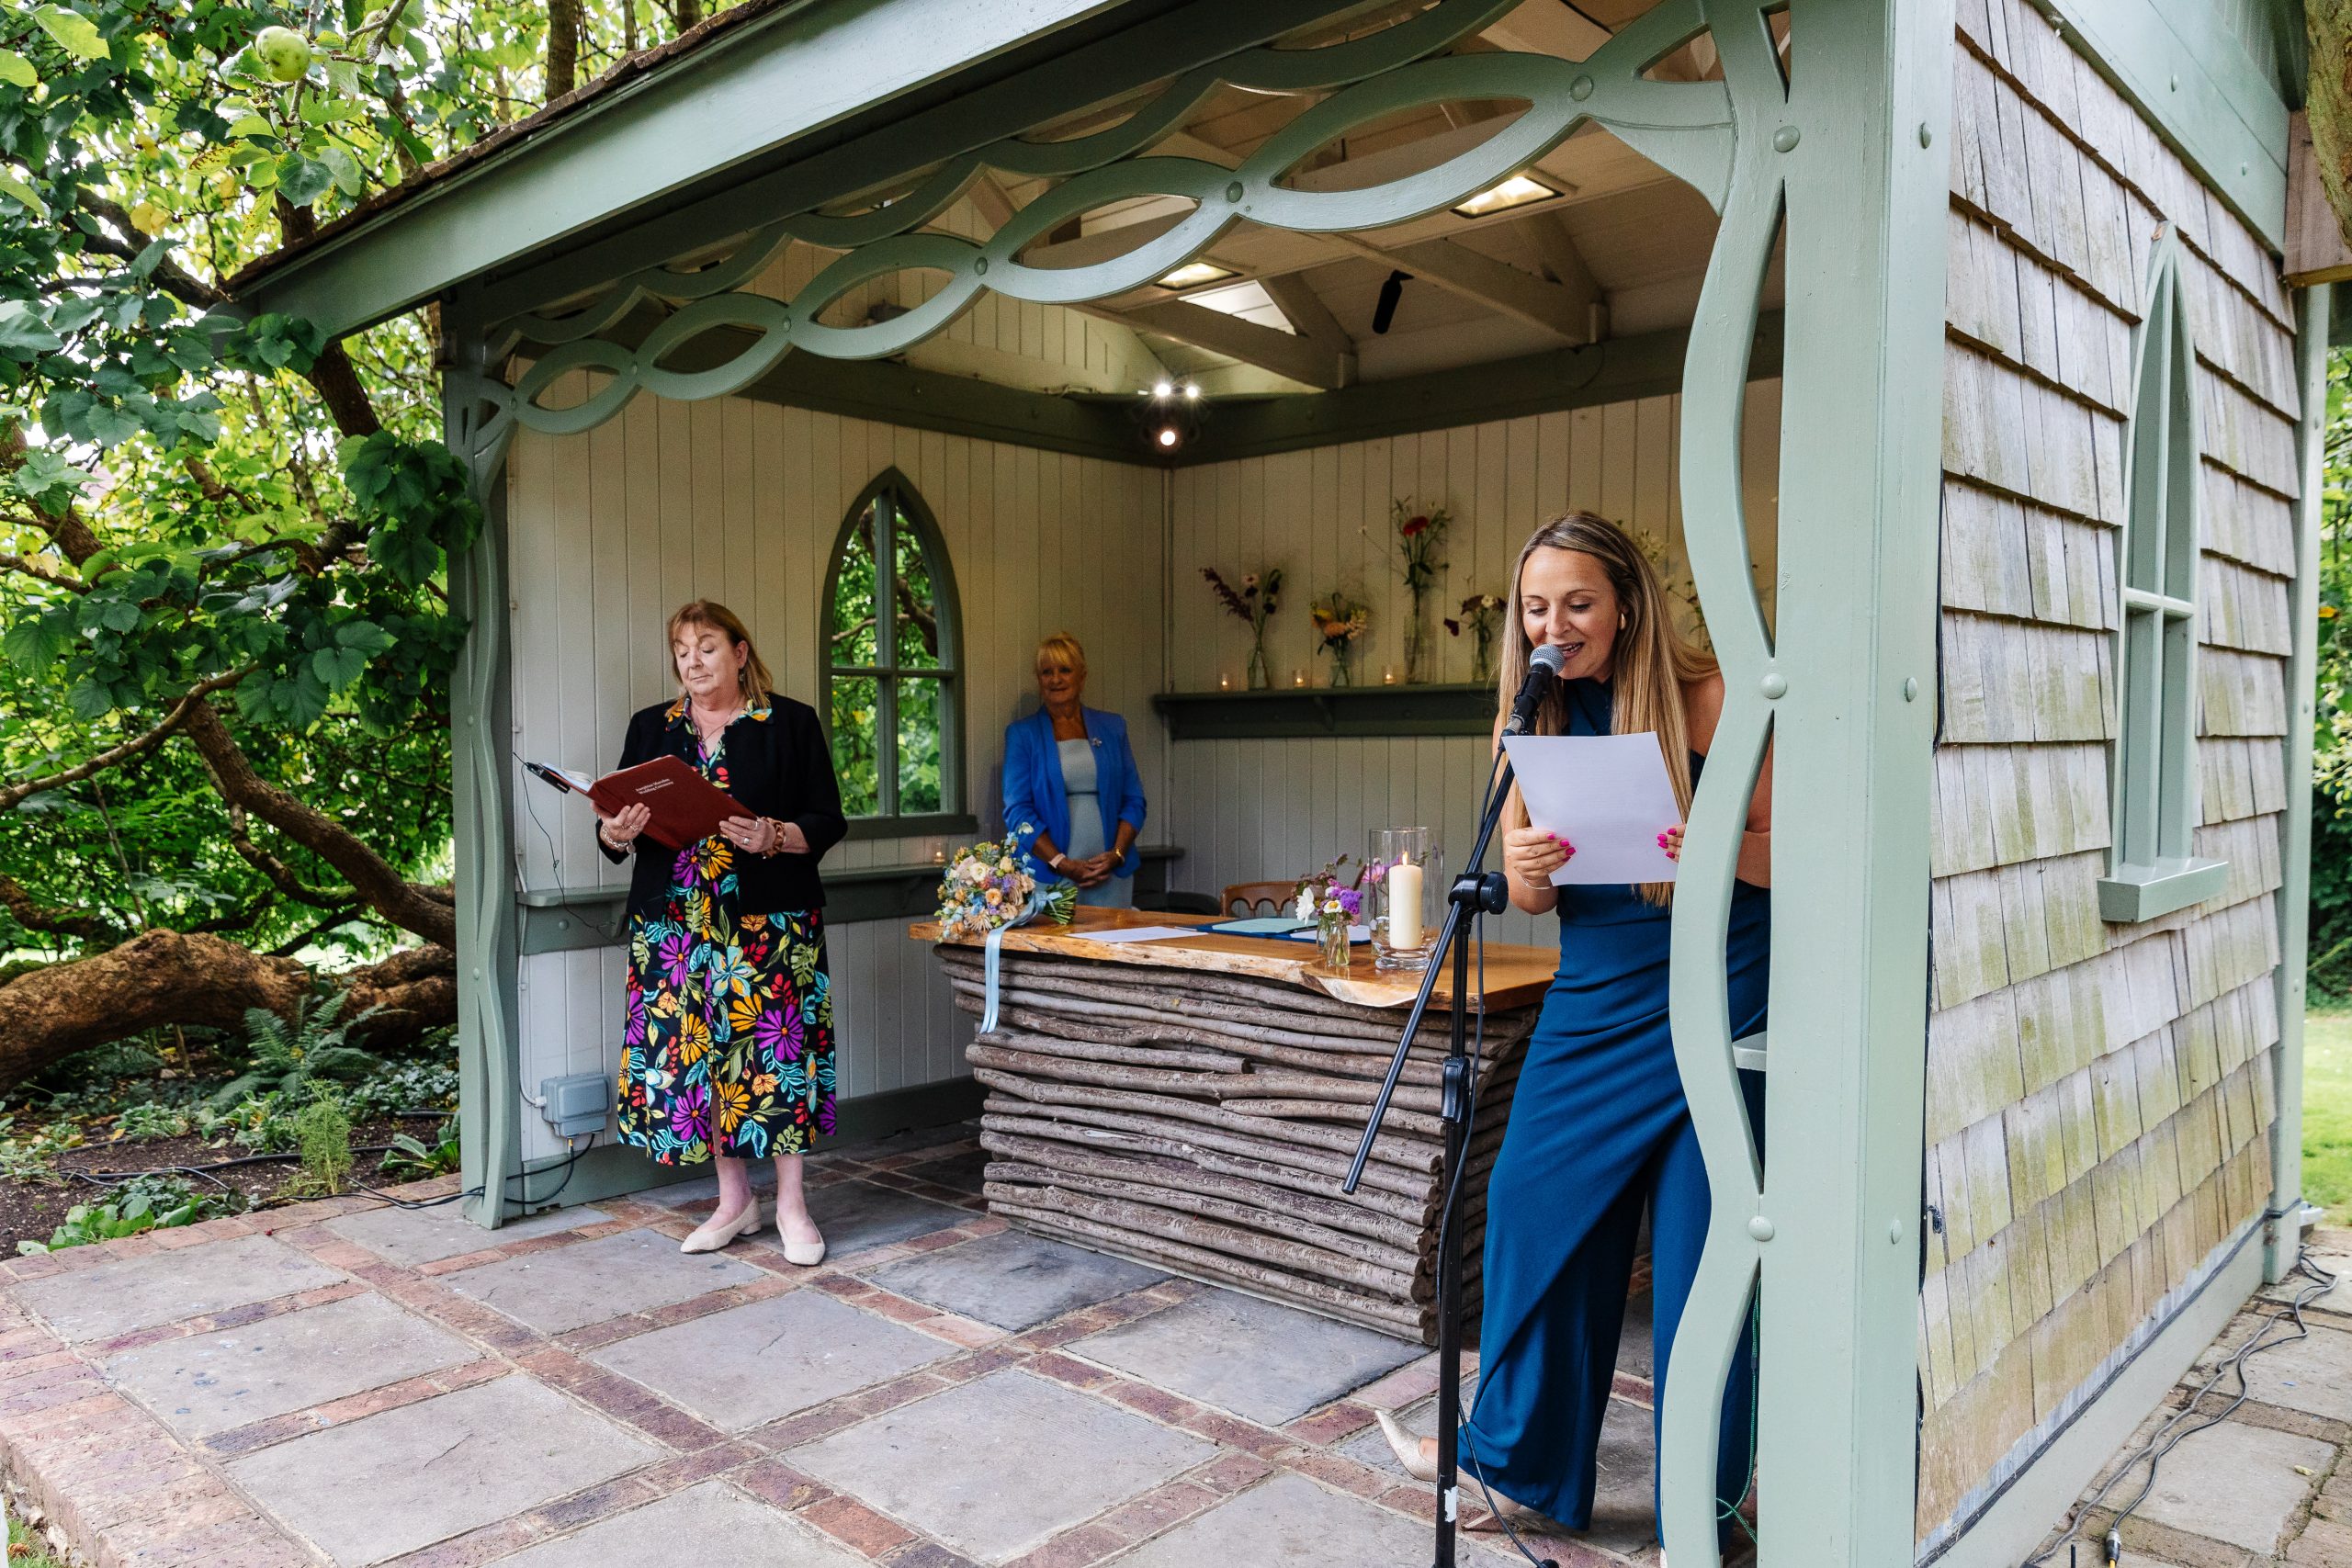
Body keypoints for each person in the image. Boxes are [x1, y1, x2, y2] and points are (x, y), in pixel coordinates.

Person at [1376, 513, 1773, 1556]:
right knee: (1526, 1202)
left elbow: (1800, 857)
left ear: (1627, 605)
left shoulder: (1710, 701)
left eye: (1579, 603)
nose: (1557, 623)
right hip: (1592, 1005)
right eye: (1538, 607)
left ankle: (1707, 1505)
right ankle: (1519, 1464)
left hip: (1711, 1000)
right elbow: (1525, 894)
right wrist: (1534, 871)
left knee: (1698, 1261)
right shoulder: (1531, 721)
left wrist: (1723, 851)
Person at [595, 601, 847, 1260]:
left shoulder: (789, 723)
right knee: (701, 1059)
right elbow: (621, 823)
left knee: (775, 1061)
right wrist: (613, 834)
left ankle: (792, 1205)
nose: (692, 660)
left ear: (740, 652)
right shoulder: (652, 728)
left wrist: (776, 834)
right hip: (677, 928)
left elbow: (828, 818)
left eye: (706, 646)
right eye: (681, 648)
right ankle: (735, 1201)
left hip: (767, 923)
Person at [1001, 633, 1147, 908]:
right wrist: (1061, 863)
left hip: (1111, 874)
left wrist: (1116, 854)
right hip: (1049, 874)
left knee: (1112, 947)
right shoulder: (1022, 735)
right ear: (1039, 679)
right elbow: (1017, 812)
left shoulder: (1113, 727)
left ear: (1082, 676)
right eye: (1047, 672)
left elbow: (1134, 801)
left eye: (1065, 670)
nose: (1056, 679)